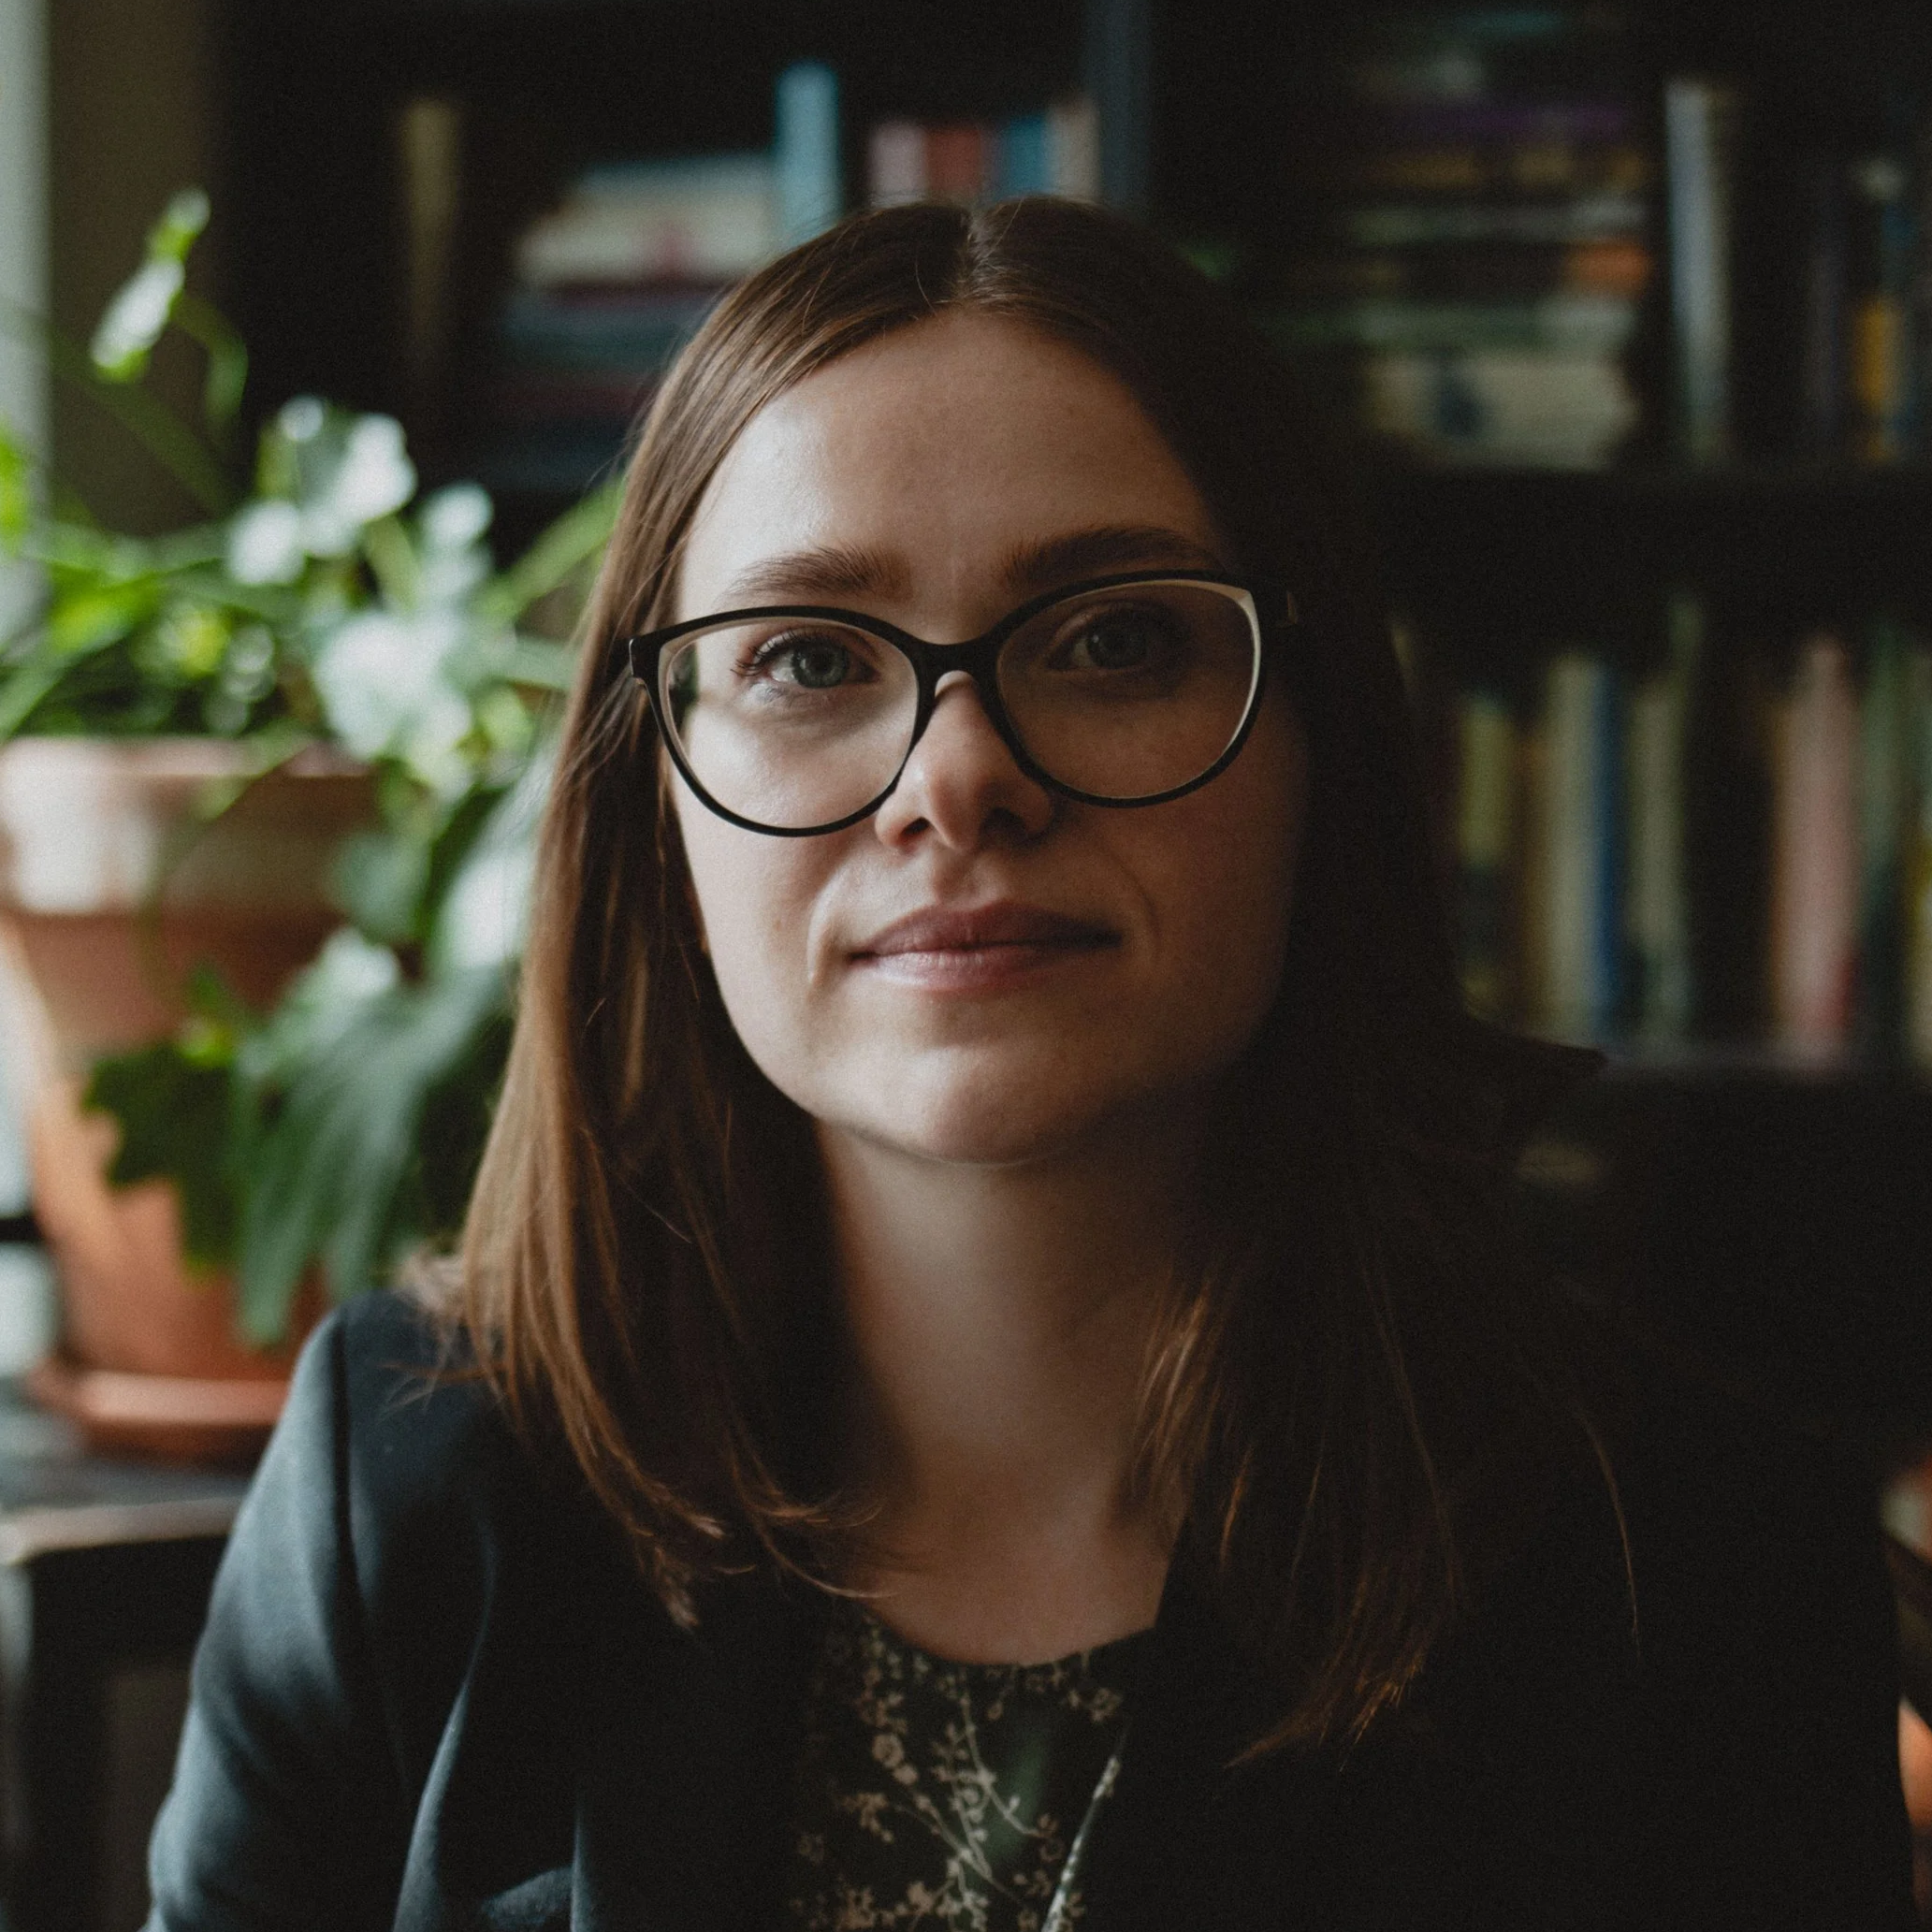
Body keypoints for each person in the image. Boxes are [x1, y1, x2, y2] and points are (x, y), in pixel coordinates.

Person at [144, 197, 1914, 1930]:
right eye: (806, 657)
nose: (957, 777)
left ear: (1321, 745)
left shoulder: (1703, 1568)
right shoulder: (403, 1491)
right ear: (652, 799)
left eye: (1116, 640)